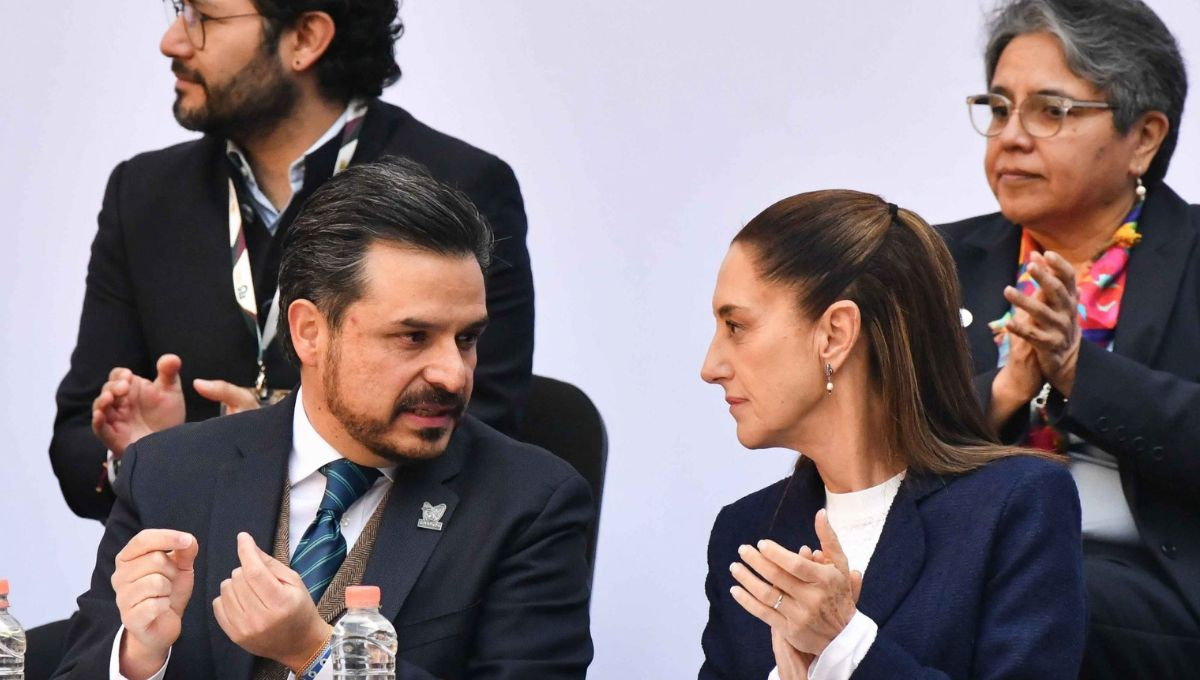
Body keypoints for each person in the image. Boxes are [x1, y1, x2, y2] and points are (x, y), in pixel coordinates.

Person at [52, 159, 592, 680]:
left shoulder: (531, 503)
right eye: (413, 337)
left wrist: (316, 654)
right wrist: (139, 659)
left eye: (467, 339)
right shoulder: (170, 472)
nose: (453, 374)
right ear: (310, 331)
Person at [51, 0, 535, 522]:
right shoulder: (144, 194)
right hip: (188, 577)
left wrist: (262, 452)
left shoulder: (456, 187)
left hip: (378, 583)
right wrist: (145, 458)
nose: (173, 41)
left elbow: (480, 440)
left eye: (203, 19)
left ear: (305, 38)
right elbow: (78, 444)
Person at [698, 191, 1086, 679]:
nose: (710, 367)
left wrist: (847, 648)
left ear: (835, 334)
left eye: (736, 326)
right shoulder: (746, 532)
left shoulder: (1016, 504)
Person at [939, 0, 1200, 675]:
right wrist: (1002, 396)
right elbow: (879, 440)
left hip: (1155, 586)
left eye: (1050, 111)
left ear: (1142, 137)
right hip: (967, 556)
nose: (1011, 138)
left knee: (1025, 592)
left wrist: (1082, 371)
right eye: (999, 110)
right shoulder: (934, 263)